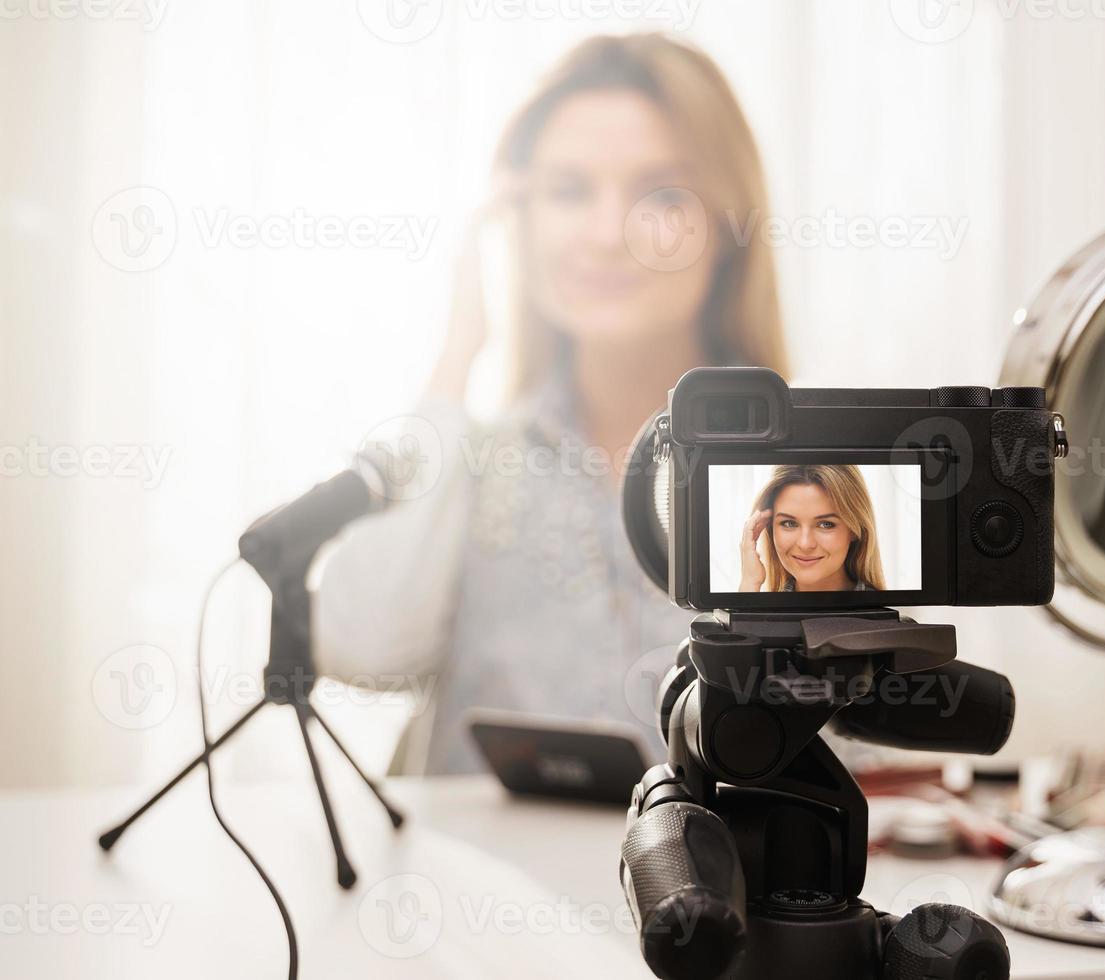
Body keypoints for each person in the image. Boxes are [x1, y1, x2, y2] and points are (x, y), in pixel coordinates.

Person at [313, 34, 788, 774]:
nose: (607, 235)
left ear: (730, 221)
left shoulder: (803, 472)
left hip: (705, 889)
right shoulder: (471, 462)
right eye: (569, 191)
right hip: (478, 888)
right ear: (520, 220)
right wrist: (456, 355)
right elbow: (358, 647)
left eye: (660, 194)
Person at [738, 465, 886, 593]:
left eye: (825, 524)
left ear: (854, 529)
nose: (805, 544)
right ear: (769, 527)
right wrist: (750, 584)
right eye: (789, 523)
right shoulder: (765, 613)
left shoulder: (887, 622)